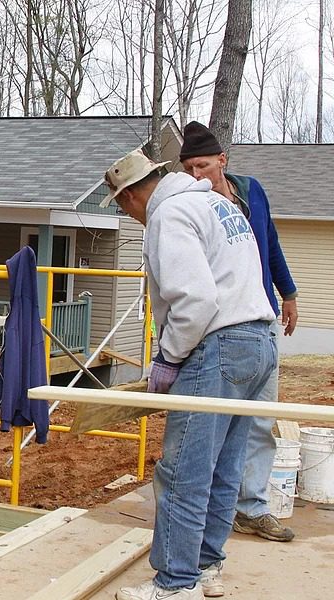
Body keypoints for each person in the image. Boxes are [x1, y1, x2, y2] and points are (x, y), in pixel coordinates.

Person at [100, 149, 277, 600]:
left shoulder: (170, 214)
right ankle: (205, 568)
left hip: (216, 346)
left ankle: (175, 584)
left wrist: (169, 358)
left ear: (129, 199)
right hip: (259, 342)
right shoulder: (216, 202)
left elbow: (196, 301)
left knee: (183, 471)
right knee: (224, 467)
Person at [180, 121, 298, 544]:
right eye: (190, 168)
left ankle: (252, 508)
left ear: (222, 161)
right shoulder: (193, 205)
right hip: (218, 329)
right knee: (213, 429)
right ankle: (213, 510)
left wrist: (288, 292)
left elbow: (271, 241)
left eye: (203, 166)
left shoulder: (250, 192)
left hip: (260, 319)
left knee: (259, 420)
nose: (197, 175)